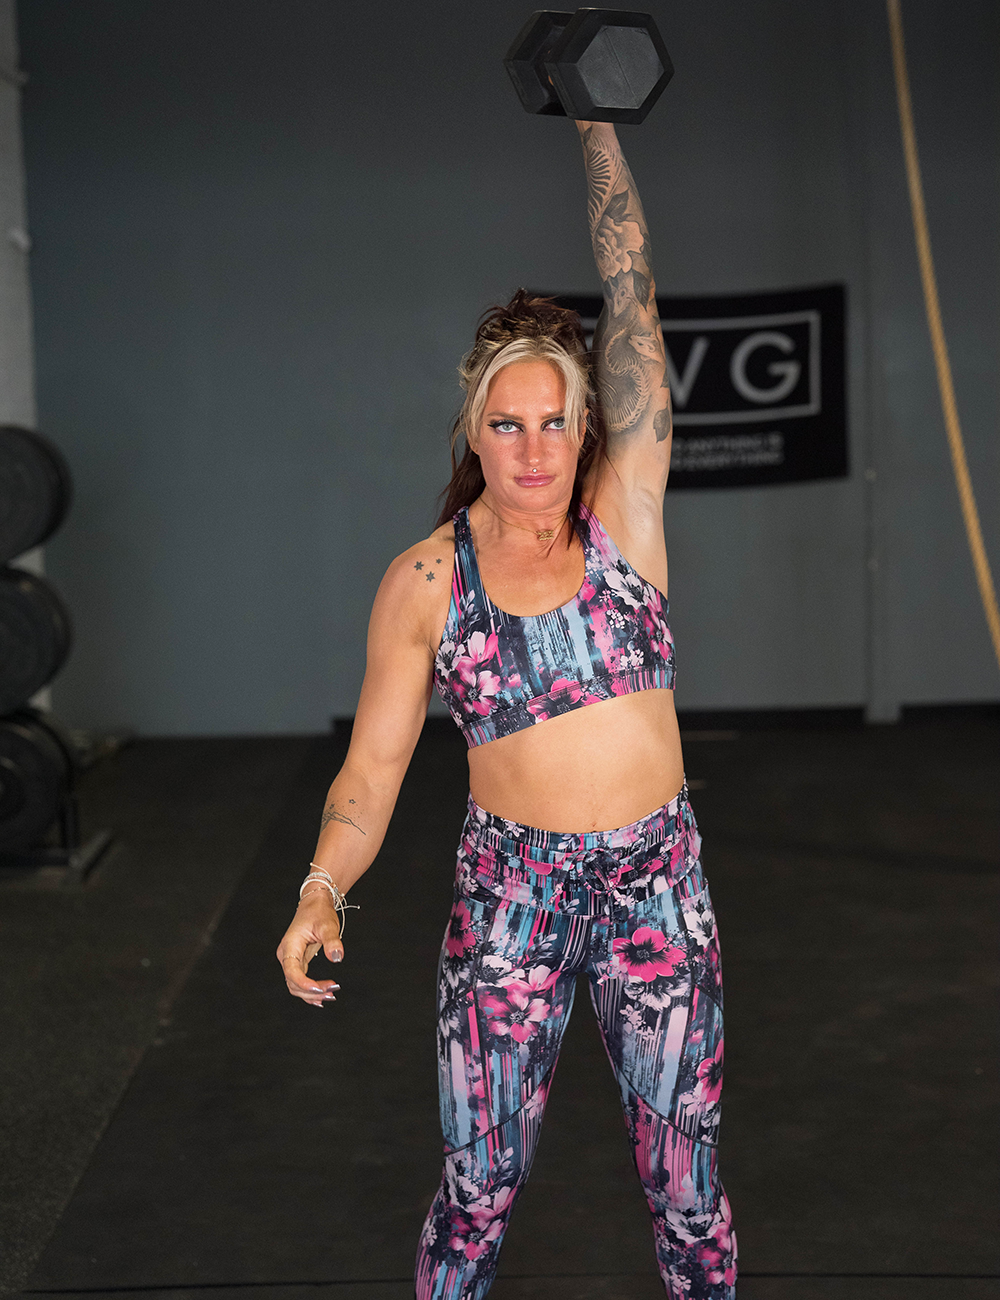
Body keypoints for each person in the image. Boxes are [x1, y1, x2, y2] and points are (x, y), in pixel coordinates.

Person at [276, 120, 736, 1300]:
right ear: (471, 430)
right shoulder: (427, 580)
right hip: (511, 900)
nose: (531, 449)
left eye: (553, 421)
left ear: (589, 425)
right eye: (505, 423)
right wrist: (323, 887)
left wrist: (598, 126)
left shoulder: (627, 512)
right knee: (477, 1188)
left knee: (687, 1189)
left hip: (654, 883)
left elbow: (629, 287)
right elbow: (369, 775)